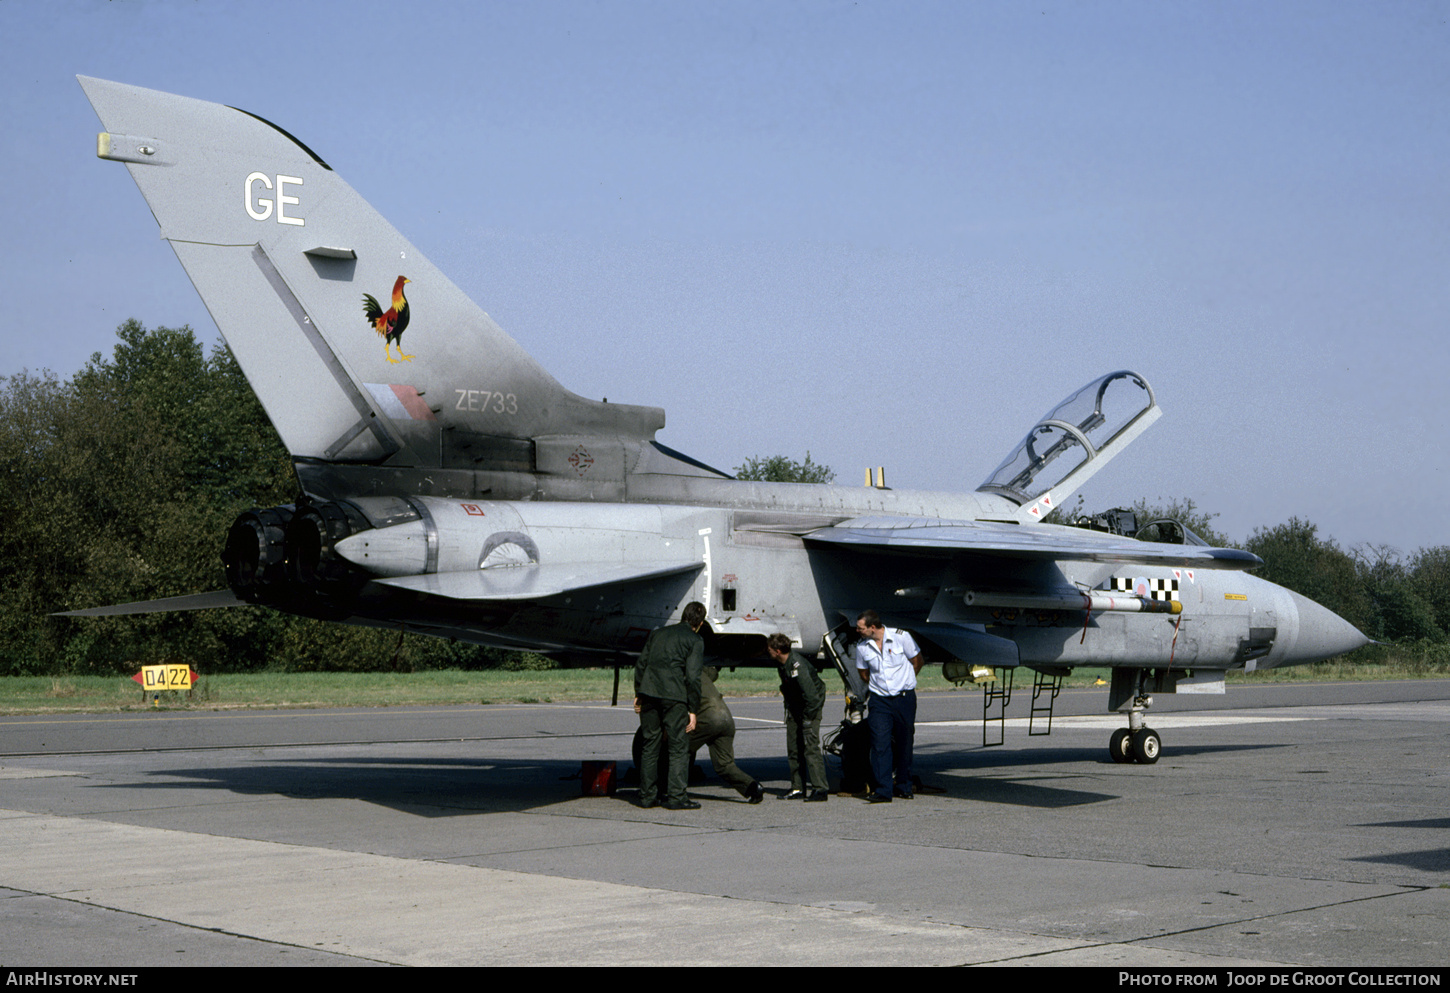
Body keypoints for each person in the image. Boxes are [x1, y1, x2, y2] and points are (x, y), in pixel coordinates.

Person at [632, 666, 764, 803]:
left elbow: (674, 710)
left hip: (708, 719)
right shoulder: (699, 671)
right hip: (726, 719)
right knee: (725, 765)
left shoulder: (677, 678)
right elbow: (713, 673)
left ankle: (667, 791)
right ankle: (753, 788)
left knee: (679, 750)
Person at [633, 601, 707, 810]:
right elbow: (693, 678)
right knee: (678, 748)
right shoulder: (695, 640)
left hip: (648, 693)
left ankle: (648, 797)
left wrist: (639, 693)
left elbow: (641, 665)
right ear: (700, 623)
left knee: (650, 745)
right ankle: (677, 797)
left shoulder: (658, 634)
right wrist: (693, 709)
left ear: (683, 616)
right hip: (673, 697)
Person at [854, 609, 923, 803]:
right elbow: (863, 673)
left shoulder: (902, 637)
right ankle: (883, 789)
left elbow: (917, 661)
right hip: (880, 701)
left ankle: (903, 786)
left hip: (903, 699)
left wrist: (905, 681)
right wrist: (881, 686)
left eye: (860, 628)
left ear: (872, 627)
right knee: (880, 743)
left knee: (904, 742)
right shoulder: (862, 647)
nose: (857, 631)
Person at [766, 633, 828, 801]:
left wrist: (808, 719)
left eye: (770, 649)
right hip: (796, 708)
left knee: (810, 747)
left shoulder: (797, 666)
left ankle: (820, 789)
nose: (768, 652)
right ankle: (797, 787)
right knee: (793, 747)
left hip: (810, 709)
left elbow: (813, 697)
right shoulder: (782, 664)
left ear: (777, 651)